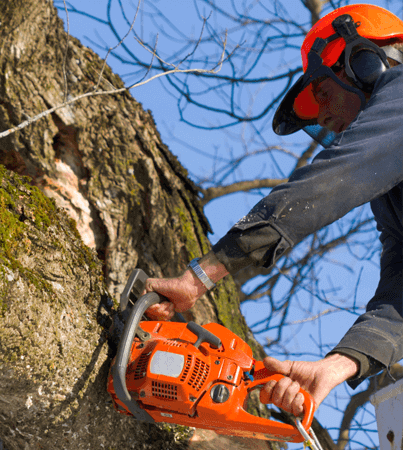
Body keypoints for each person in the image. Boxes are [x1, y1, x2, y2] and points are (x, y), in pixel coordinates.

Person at [143, 4, 403, 418]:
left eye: (322, 92)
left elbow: (330, 181)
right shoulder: (393, 189)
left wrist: (200, 276)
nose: (323, 116)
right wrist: (336, 367)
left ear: (364, 63)